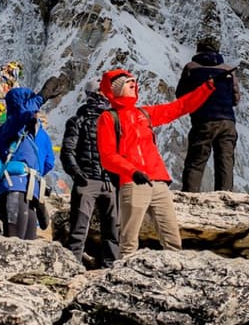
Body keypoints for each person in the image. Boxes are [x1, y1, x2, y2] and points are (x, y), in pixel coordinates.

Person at [97, 68, 216, 257]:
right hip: (133, 182)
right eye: (128, 84)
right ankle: (123, 281)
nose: (133, 85)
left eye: (133, 83)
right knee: (129, 241)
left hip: (158, 182)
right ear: (117, 89)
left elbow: (180, 107)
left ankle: (175, 275)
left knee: (172, 239)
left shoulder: (144, 113)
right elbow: (108, 156)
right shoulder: (109, 118)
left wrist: (208, 87)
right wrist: (132, 171)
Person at [61, 79, 119, 267]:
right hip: (88, 181)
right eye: (103, 92)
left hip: (109, 181)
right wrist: (78, 174)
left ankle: (110, 268)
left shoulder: (114, 121)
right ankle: (73, 267)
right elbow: (67, 152)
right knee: (79, 229)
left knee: (113, 229)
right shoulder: (77, 121)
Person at [176, 36, 239, 192]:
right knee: (225, 161)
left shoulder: (191, 68)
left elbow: (181, 94)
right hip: (227, 121)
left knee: (196, 161)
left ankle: (190, 196)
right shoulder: (228, 70)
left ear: (198, 49)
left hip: (203, 120)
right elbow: (236, 98)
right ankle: (225, 197)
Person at [0, 87, 54, 240]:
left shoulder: (9, 127)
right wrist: (40, 98)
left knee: (16, 238)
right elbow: (49, 163)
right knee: (26, 239)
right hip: (30, 189)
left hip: (15, 185)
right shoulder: (19, 127)